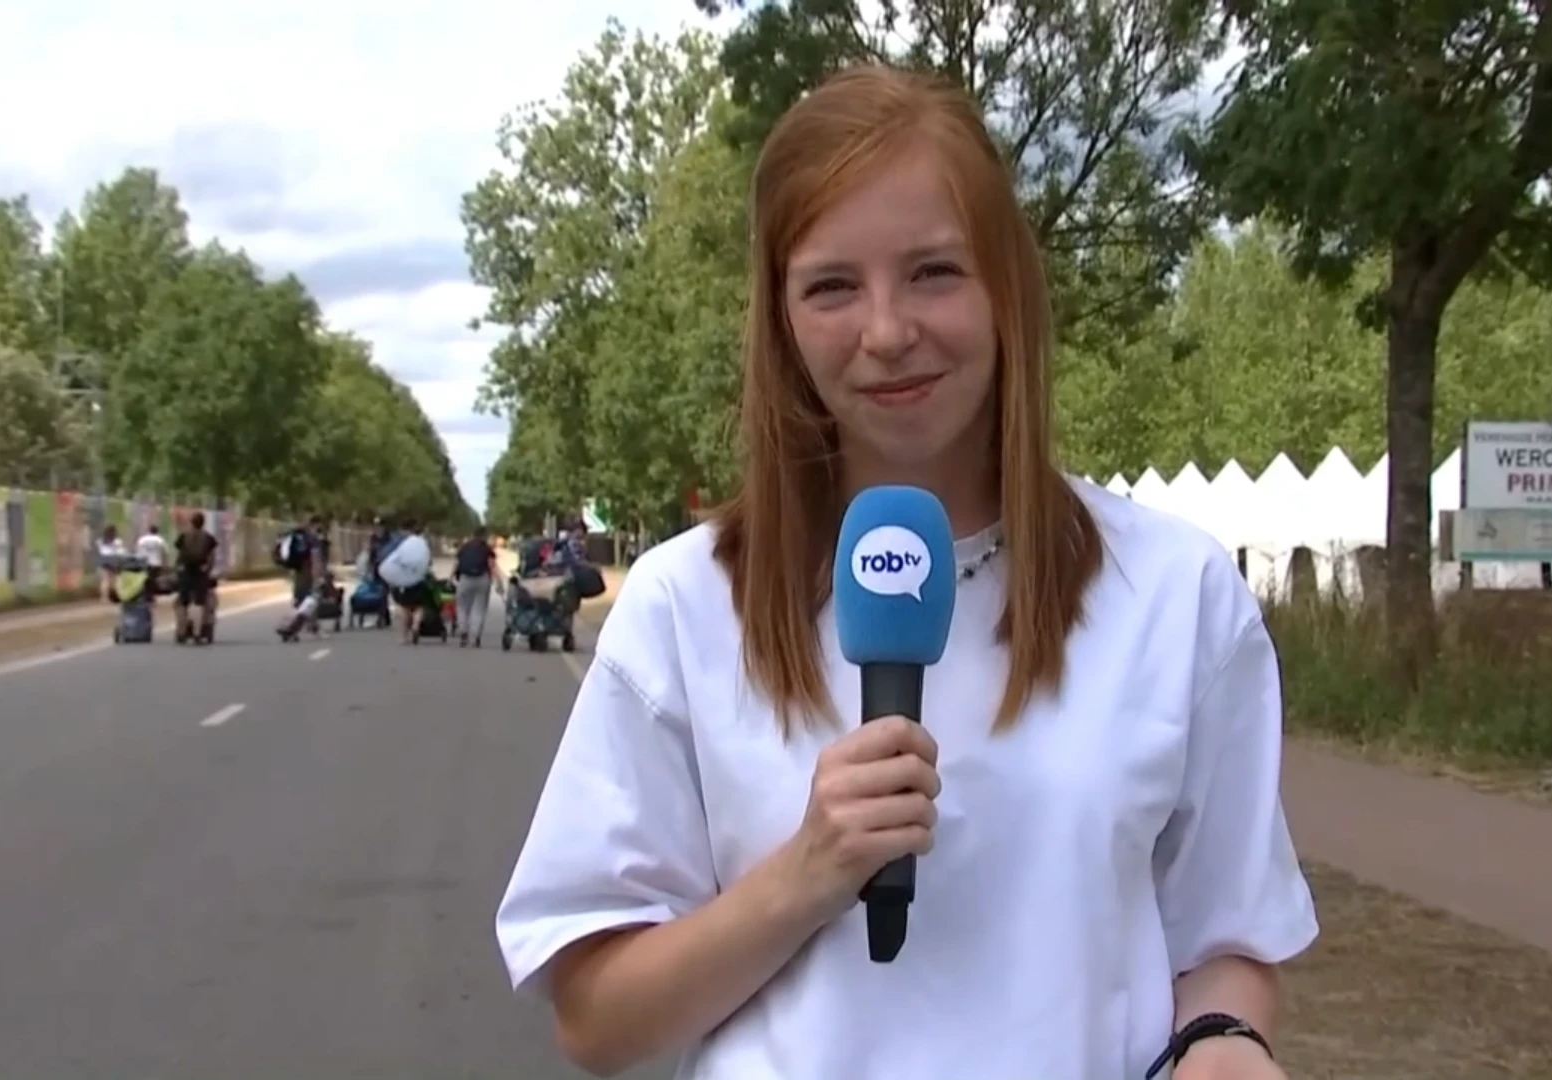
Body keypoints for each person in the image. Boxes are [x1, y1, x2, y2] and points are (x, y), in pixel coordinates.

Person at [494, 66, 1316, 1080]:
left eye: (934, 271)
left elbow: (1227, 936)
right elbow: (598, 1024)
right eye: (832, 286)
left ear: (1006, 285)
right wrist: (802, 875)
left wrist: (1223, 1043)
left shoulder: (1178, 594)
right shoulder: (681, 606)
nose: (886, 333)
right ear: (781, 317)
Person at [172, 511, 220, 635]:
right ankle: (198, 632)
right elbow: (212, 557)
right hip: (201, 571)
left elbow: (179, 555)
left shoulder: (183, 536)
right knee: (200, 603)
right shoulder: (209, 538)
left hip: (186, 571)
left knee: (183, 602)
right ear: (203, 523)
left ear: (191, 523)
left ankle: (181, 631)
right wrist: (207, 569)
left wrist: (178, 568)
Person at [453, 525, 499, 648]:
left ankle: (463, 631)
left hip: (465, 578)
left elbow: (456, 564)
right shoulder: (486, 548)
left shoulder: (464, 547)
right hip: (482, 578)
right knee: (479, 608)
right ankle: (475, 637)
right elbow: (492, 566)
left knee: (462, 607)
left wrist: (449, 578)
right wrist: (498, 582)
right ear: (484, 536)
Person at [96, 524, 129, 602]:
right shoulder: (117, 541)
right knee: (117, 578)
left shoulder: (100, 541)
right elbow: (120, 551)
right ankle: (118, 595)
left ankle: (104, 597)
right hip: (114, 559)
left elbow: (99, 549)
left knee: (105, 579)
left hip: (104, 559)